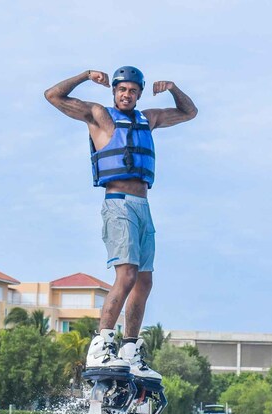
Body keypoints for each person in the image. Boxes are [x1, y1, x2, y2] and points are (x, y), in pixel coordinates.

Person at [45, 66, 197, 381]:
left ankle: (130, 350)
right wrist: (85, 76)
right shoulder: (99, 116)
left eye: (132, 91)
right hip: (119, 205)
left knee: (144, 282)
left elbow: (189, 111)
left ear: (139, 94)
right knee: (125, 275)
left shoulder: (148, 119)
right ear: (114, 91)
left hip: (144, 207)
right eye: (121, 90)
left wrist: (173, 87)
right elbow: (53, 96)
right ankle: (101, 346)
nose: (126, 95)